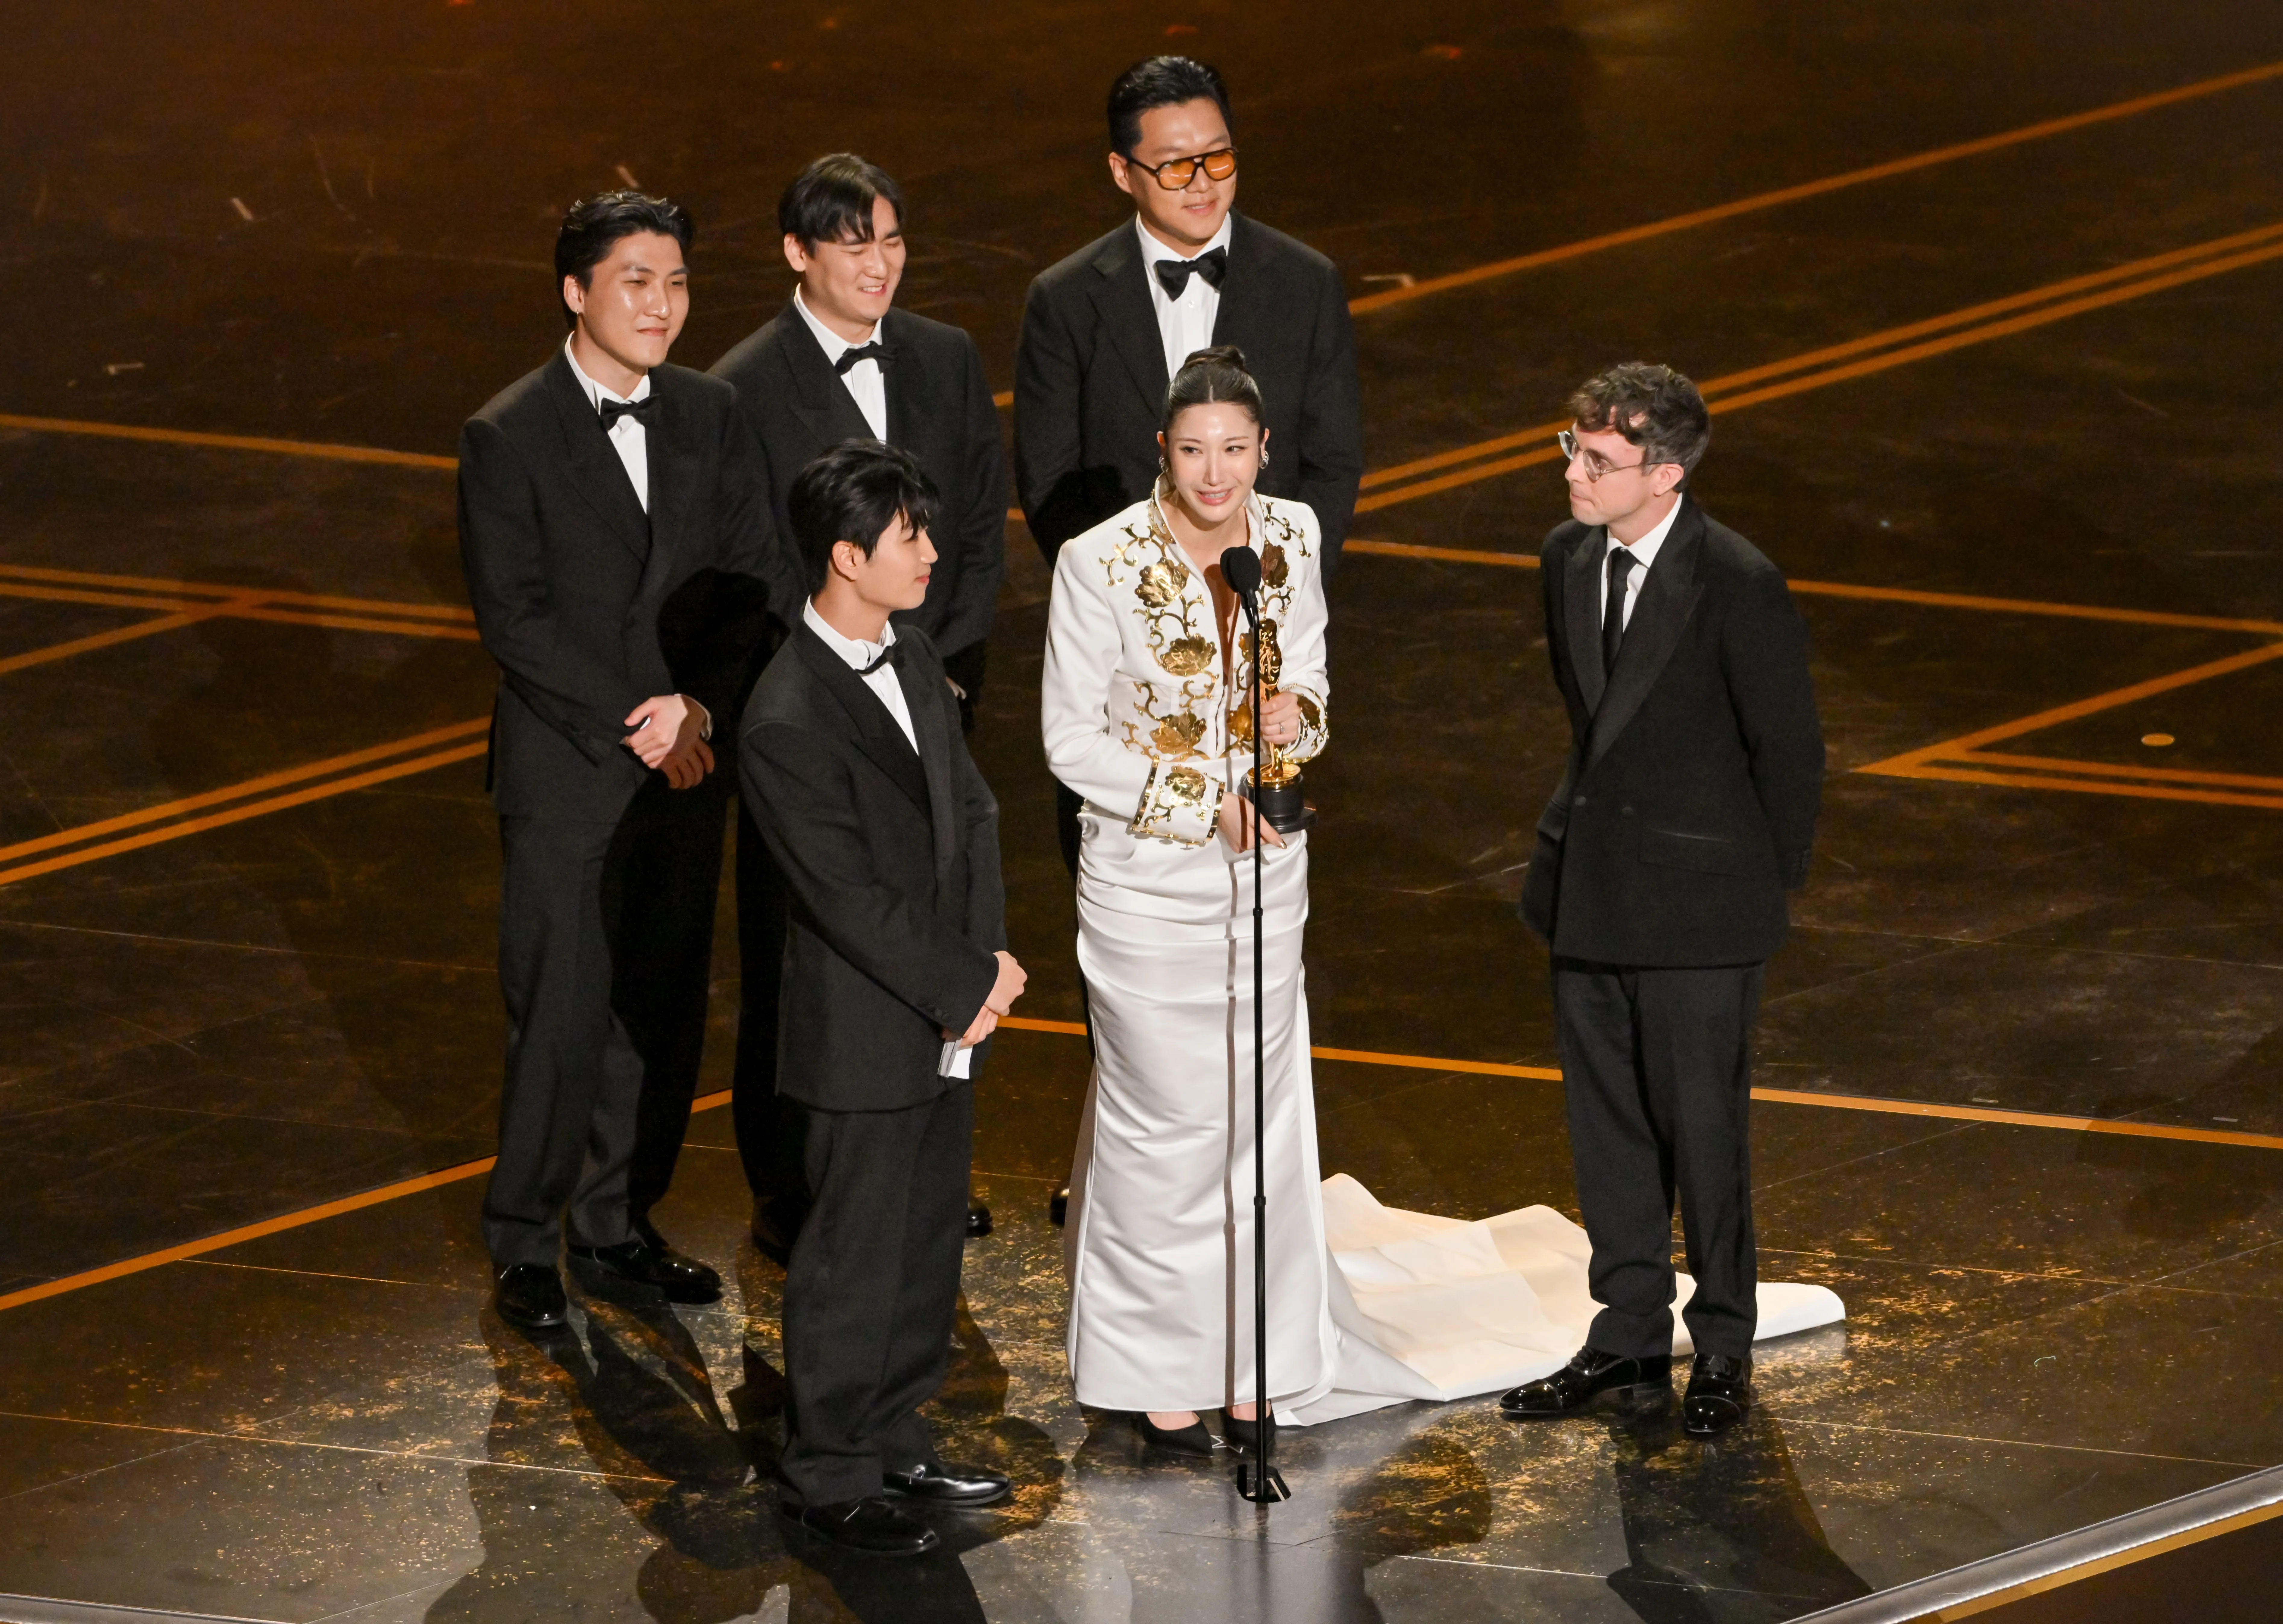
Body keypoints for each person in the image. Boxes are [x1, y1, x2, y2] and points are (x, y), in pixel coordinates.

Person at [1018, 52, 1362, 1221]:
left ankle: (1242, 1206)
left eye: (1219, 155)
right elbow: (1052, 483)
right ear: (1124, 171)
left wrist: (1263, 606)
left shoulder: (1304, 281)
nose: (1203, 180)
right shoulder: (1068, 297)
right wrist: (1144, 598)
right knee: (1139, 983)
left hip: (1255, 665)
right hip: (1134, 685)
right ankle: (1133, 1184)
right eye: (1175, 164)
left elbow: (1329, 469)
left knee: (1256, 991)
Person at [458, 191, 799, 1332]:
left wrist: (697, 704)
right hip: (574, 767)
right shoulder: (507, 432)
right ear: (576, 291)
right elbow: (518, 619)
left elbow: (757, 576)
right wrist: (641, 712)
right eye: (636, 282)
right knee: (560, 1012)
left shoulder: (713, 410)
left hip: (689, 760)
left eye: (678, 283)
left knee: (659, 1009)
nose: (661, 305)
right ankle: (523, 1240)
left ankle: (616, 1223)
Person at [1506, 363, 1825, 1438]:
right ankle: (1628, 1332)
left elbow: (1788, 752)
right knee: (1608, 1130)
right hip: (1591, 894)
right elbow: (1589, 723)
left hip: (1702, 910)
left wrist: (1744, 890)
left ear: (1667, 473)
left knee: (1703, 1132)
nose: (1575, 474)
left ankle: (1722, 1343)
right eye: (1573, 449)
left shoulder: (1737, 580)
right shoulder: (1564, 558)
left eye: (1600, 461)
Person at [699, 154, 1009, 1244]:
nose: (879, 265)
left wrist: (938, 668)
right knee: (810, 947)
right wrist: (844, 668)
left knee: (926, 920)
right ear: (797, 253)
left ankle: (919, 1158)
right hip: (818, 715)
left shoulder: (944, 355)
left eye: (892, 240)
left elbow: (973, 522)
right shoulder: (740, 385)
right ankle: (794, 1190)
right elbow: (749, 562)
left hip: (928, 695)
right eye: (853, 245)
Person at [1043, 346, 1336, 1457]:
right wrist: (1198, 798)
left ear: (1262, 449)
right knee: (1165, 1124)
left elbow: (1309, 676)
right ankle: (1154, 1368)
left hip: (1269, 872)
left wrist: (1291, 723)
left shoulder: (1292, 535)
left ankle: (1252, 1361)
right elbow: (1069, 739)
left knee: (1258, 1124)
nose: (1216, 473)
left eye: (1235, 449)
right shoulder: (1099, 562)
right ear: (1161, 452)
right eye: (1193, 449)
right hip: (1145, 882)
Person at [742, 441, 1026, 1556]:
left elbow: (974, 812)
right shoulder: (785, 716)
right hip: (866, 1025)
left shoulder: (907, 653)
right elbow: (846, 899)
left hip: (947, 1003)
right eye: (909, 536)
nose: (930, 553)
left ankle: (896, 1430)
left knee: (920, 1247)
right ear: (846, 555)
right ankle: (827, 1469)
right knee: (852, 1256)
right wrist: (963, 980)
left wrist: (986, 968)